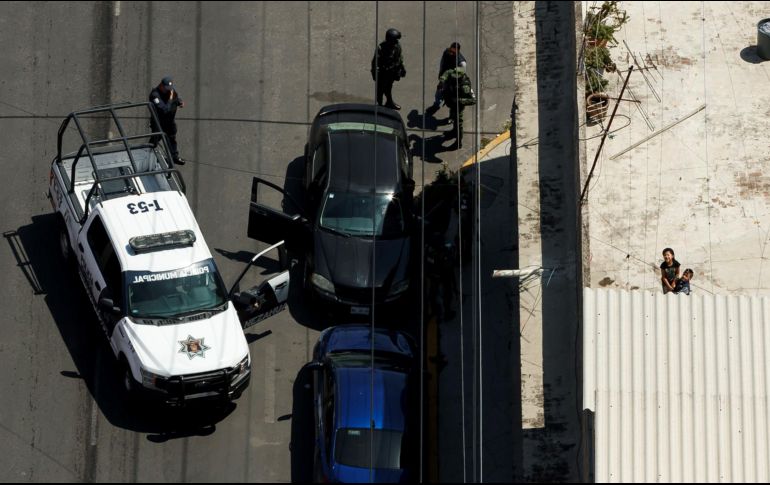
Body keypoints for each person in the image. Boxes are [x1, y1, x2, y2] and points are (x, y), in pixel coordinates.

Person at [149, 76, 186, 165]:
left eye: (170, 88)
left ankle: (174, 157)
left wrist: (180, 102)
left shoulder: (170, 91)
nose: (169, 90)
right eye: (166, 88)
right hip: (159, 123)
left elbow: (176, 98)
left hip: (169, 122)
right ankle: (147, 155)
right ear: (161, 85)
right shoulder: (155, 95)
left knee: (172, 138)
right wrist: (170, 99)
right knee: (155, 140)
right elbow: (164, 109)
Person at [439, 65, 476, 149]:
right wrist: (442, 80)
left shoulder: (465, 86)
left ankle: (458, 143)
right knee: (454, 120)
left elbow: (473, 100)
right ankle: (453, 132)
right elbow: (447, 72)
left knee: (459, 124)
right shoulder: (453, 73)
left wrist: (459, 100)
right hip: (452, 103)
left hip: (458, 106)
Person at [426, 42, 467, 116]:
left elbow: (460, 75)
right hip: (444, 80)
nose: (451, 53)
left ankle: (452, 116)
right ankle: (436, 105)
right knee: (439, 93)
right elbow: (442, 63)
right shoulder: (446, 52)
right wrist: (441, 76)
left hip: (454, 83)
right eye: (451, 50)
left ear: (458, 51)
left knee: (452, 100)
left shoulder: (461, 63)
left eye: (453, 52)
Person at [371, 28, 406, 110]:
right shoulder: (381, 48)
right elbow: (374, 63)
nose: (396, 41)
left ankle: (389, 102)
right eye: (395, 40)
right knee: (380, 90)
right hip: (383, 73)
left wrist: (402, 68)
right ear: (390, 39)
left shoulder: (397, 46)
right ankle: (379, 106)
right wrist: (375, 74)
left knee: (389, 87)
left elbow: (400, 58)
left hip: (392, 72)